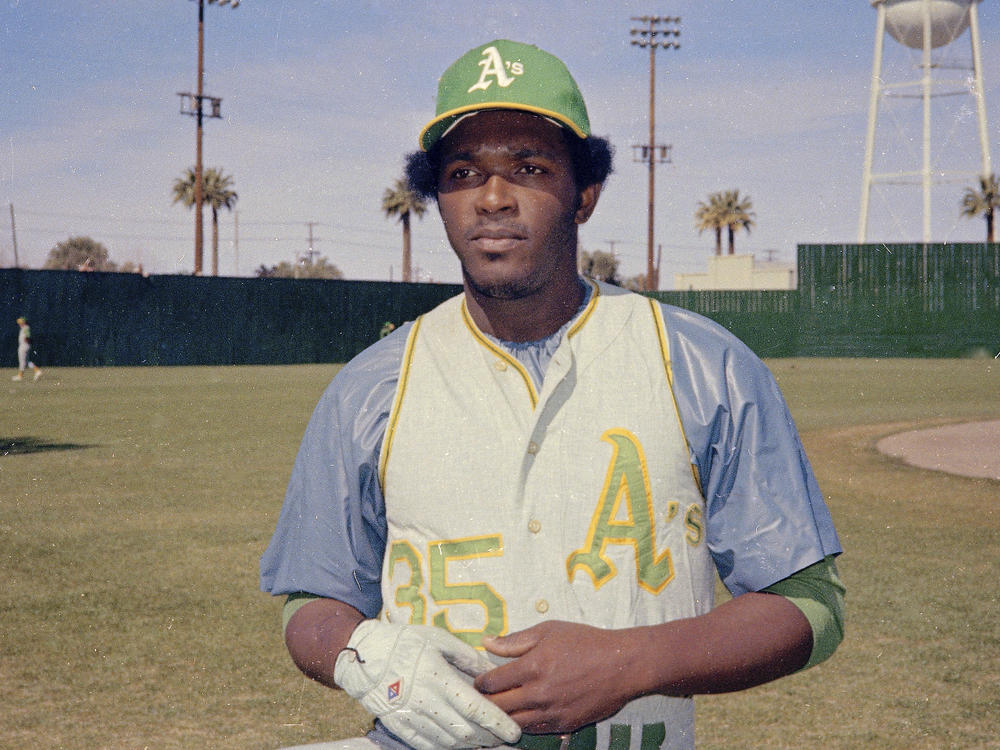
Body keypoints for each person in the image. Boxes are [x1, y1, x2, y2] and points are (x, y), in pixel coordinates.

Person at [260, 39, 845, 750]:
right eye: (463, 172)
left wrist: (629, 662)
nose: (493, 196)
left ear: (585, 193)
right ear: (438, 199)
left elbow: (807, 606)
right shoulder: (371, 387)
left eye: (529, 168)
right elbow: (311, 599)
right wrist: (363, 657)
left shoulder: (702, 365)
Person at [13, 317, 42, 382]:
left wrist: (27, 341)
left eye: (20, 322)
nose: (19, 324)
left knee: (22, 361)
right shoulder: (24, 328)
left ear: (23, 322)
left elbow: (27, 336)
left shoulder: (26, 327)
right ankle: (37, 371)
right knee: (27, 362)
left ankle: (20, 376)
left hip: (24, 346)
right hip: (25, 345)